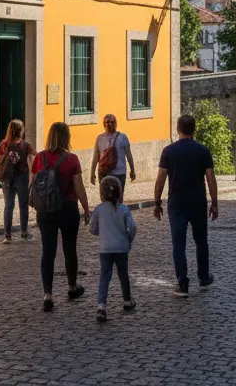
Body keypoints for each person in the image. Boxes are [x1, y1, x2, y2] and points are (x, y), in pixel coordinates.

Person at [153, 113, 219, 297]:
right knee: (201, 241)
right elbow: (211, 179)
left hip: (176, 204)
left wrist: (157, 202)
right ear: (194, 129)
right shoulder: (203, 151)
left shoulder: (168, 151)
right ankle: (204, 277)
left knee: (178, 244)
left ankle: (182, 283)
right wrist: (214, 203)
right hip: (198, 202)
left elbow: (160, 180)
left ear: (178, 129)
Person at [31, 121, 90, 311]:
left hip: (46, 211)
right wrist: (86, 209)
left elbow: (34, 185)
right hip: (68, 208)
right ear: (67, 137)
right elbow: (79, 187)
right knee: (69, 249)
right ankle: (72, 287)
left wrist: (36, 206)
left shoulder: (39, 158)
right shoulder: (72, 159)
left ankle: (47, 295)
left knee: (48, 252)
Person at [89, 175, 137, 322]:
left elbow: (92, 229)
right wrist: (128, 240)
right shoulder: (124, 209)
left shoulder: (99, 209)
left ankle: (101, 306)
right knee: (123, 275)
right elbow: (132, 228)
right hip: (121, 248)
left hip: (105, 248)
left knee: (105, 276)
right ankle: (127, 301)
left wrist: (102, 232)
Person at [0, 119, 34, 242]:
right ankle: (24, 232)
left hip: (7, 178)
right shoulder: (25, 145)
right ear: (21, 131)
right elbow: (33, 158)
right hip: (22, 177)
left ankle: (7, 235)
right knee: (23, 205)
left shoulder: (4, 144)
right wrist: (32, 176)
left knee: (8, 206)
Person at [90, 113, 136, 196]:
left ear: (116, 123)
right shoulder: (100, 138)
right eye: (107, 122)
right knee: (105, 197)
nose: (110, 124)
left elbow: (129, 155)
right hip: (104, 173)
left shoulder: (123, 137)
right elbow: (96, 157)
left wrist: (132, 170)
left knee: (118, 197)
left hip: (119, 172)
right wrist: (92, 173)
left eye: (112, 122)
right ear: (104, 124)